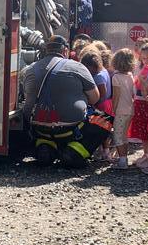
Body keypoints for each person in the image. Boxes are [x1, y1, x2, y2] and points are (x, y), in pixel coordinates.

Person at [22, 34, 102, 165]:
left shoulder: (30, 69)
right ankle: (74, 151)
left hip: (38, 126)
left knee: (46, 126)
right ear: (65, 51)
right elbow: (94, 98)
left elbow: (27, 96)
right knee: (104, 120)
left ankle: (45, 145)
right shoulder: (78, 67)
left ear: (46, 50)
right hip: (70, 127)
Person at [130, 40, 148, 168]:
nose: (146, 60)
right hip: (140, 101)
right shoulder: (145, 68)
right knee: (143, 130)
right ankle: (146, 154)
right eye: (144, 58)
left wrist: (141, 81)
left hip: (146, 102)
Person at [110, 48, 136, 170]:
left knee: (118, 136)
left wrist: (112, 111)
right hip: (130, 109)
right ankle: (124, 158)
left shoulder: (116, 77)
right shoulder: (130, 76)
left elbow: (116, 96)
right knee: (125, 136)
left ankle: (122, 161)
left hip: (120, 110)